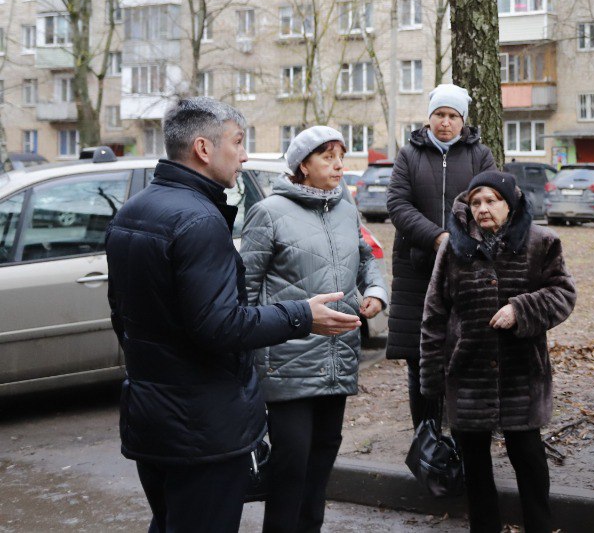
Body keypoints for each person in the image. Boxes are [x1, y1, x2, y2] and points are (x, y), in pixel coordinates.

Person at [104, 98, 360, 533]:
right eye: (238, 143)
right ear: (204, 149)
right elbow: (220, 325)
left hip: (152, 416)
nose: (244, 156)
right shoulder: (199, 219)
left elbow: (122, 318)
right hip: (202, 427)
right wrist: (302, 315)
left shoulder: (134, 210)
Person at [242, 126, 389, 533]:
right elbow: (247, 293)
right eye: (327, 156)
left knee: (320, 467)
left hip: (338, 360)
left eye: (341, 155)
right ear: (303, 166)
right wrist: (249, 360)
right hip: (286, 363)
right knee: (290, 471)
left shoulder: (345, 205)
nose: (339, 164)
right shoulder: (268, 212)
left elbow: (365, 258)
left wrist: (375, 292)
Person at [421, 171, 576, 533]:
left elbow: (563, 294)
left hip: (521, 372)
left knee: (529, 458)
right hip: (468, 370)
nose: (483, 208)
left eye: (492, 200)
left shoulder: (541, 242)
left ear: (510, 204)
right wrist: (432, 379)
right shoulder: (453, 248)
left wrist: (521, 310)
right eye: (476, 202)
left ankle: (540, 526)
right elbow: (434, 313)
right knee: (475, 466)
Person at [386, 83, 496, 427]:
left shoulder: (480, 155)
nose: (445, 122)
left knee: (468, 351)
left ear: (462, 120)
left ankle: (466, 430)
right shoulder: (409, 155)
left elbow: (492, 201)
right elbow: (398, 205)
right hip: (416, 271)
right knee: (421, 357)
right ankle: (427, 433)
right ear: (429, 118)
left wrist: (463, 240)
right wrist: (436, 237)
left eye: (452, 116)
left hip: (469, 268)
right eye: (439, 115)